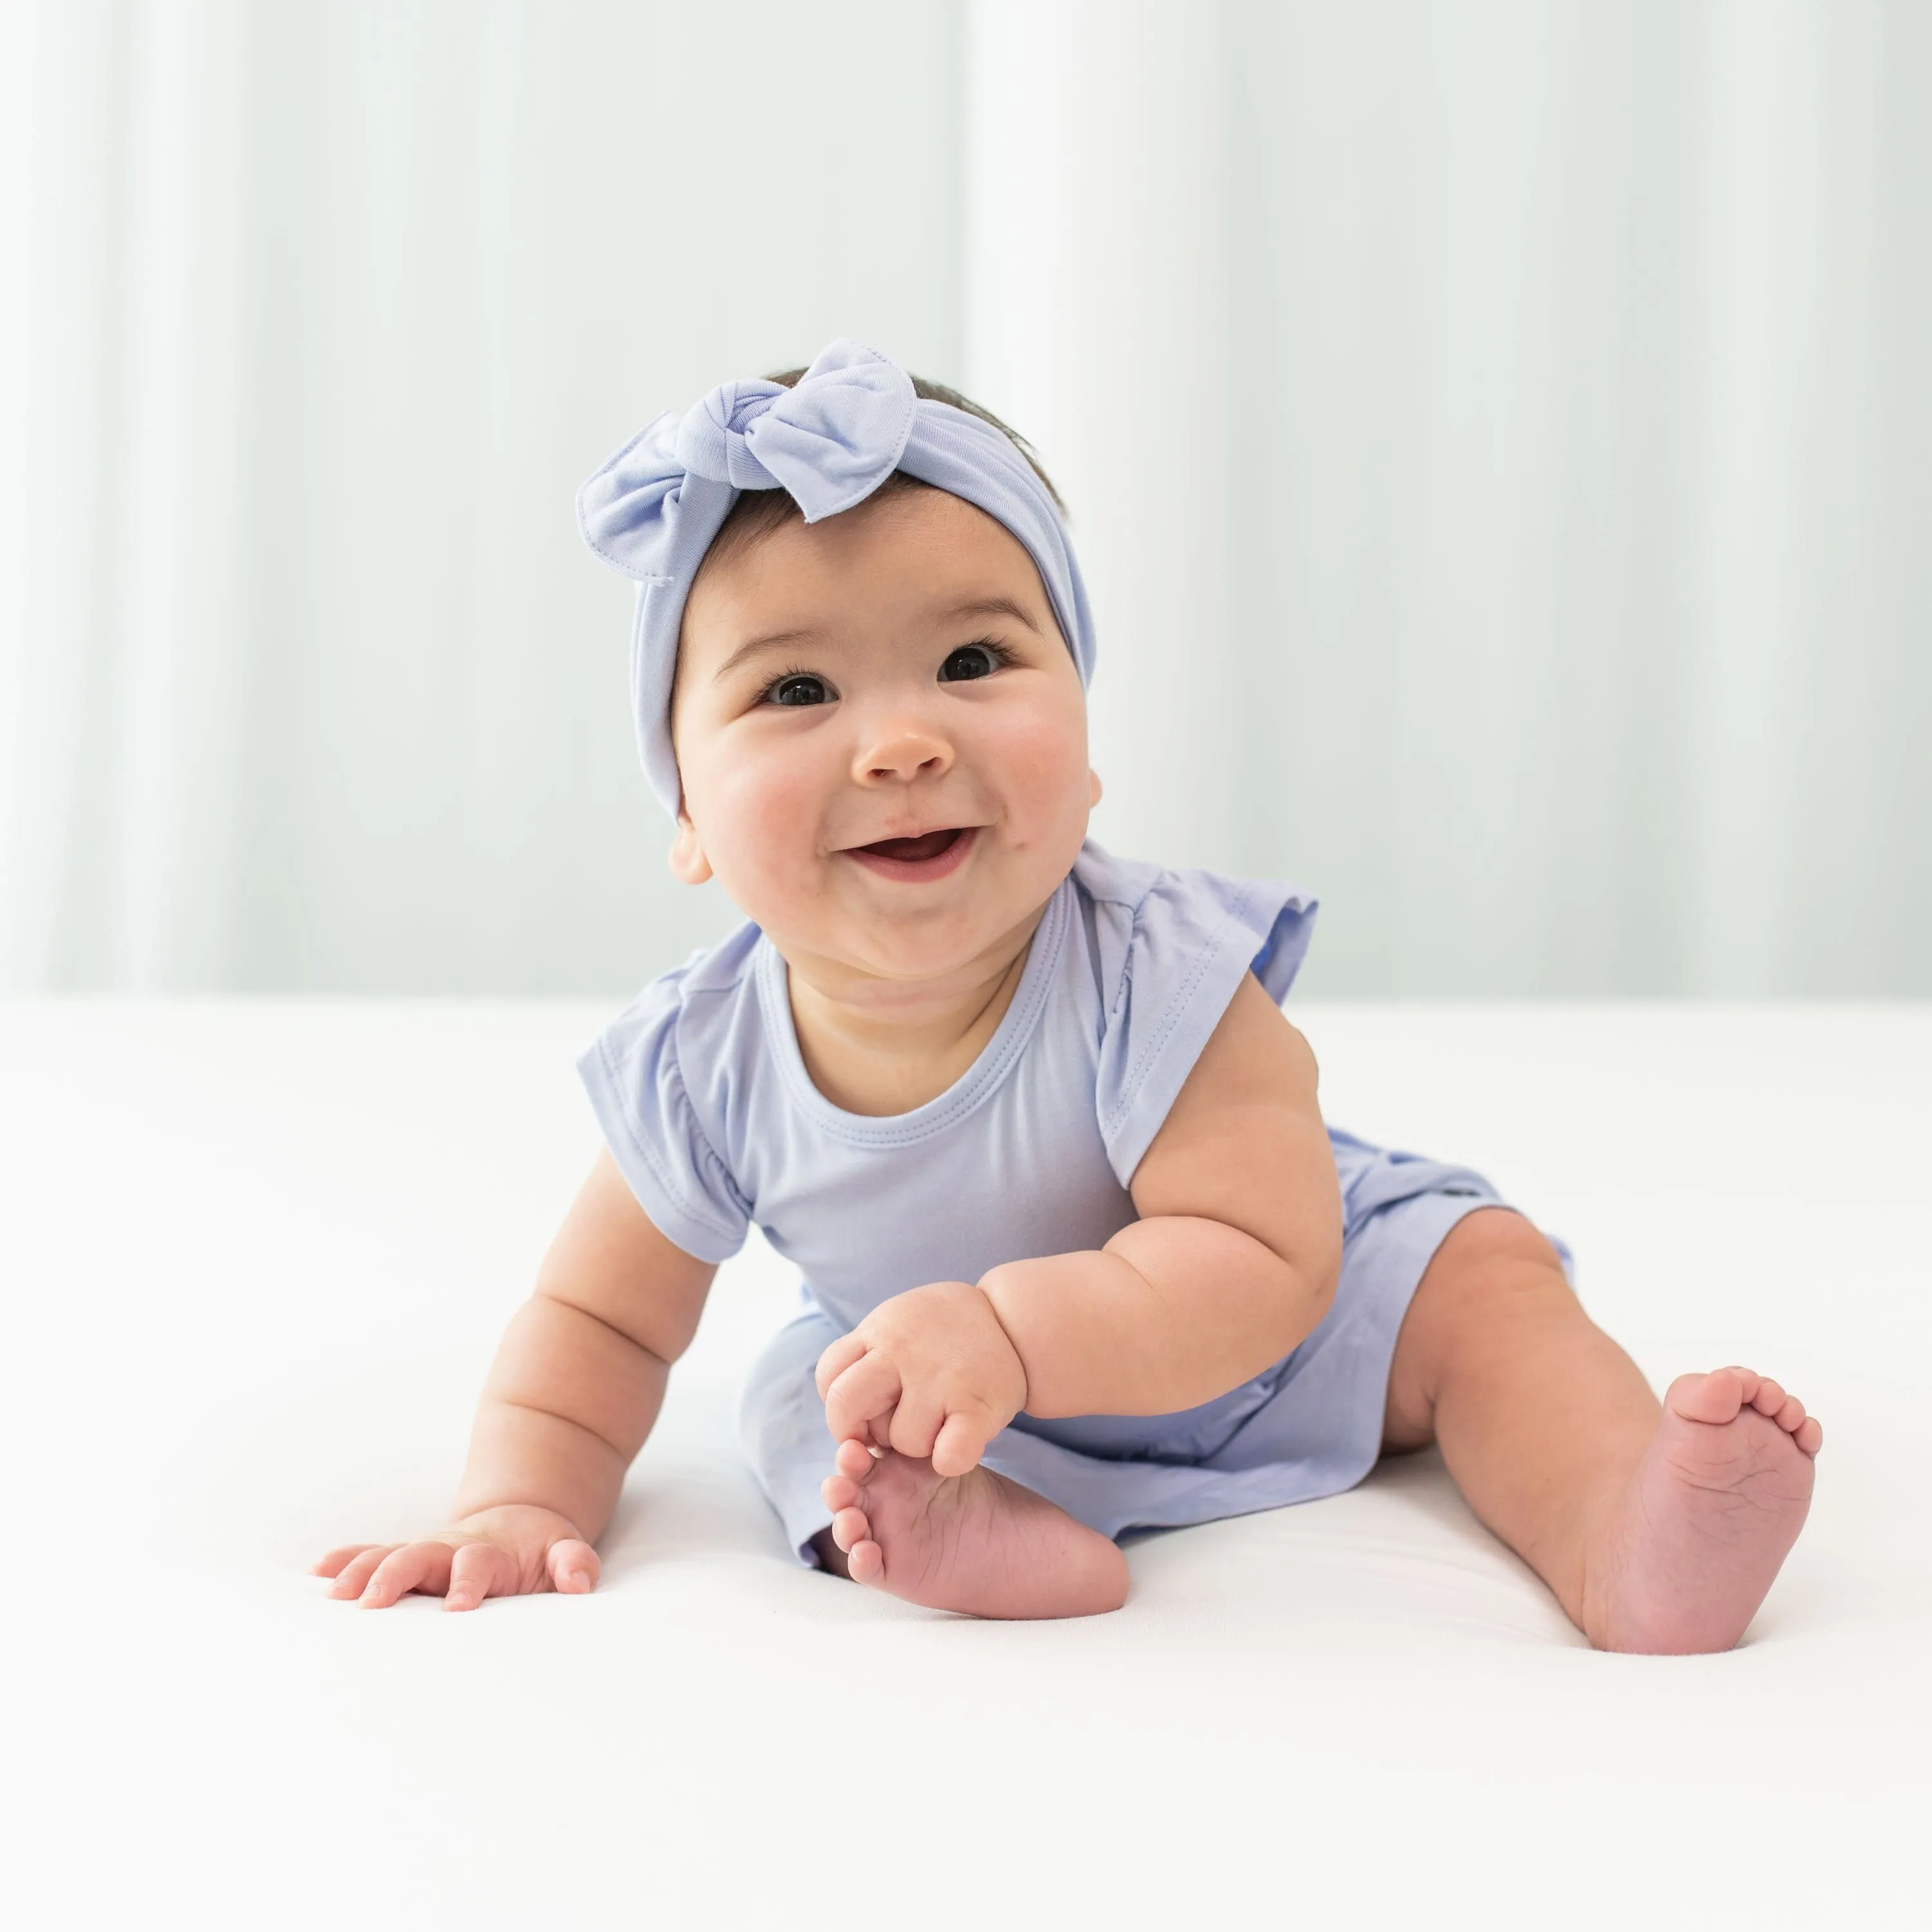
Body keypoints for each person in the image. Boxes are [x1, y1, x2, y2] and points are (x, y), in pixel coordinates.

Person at [313, 341, 1821, 1649]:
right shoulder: (704, 1064)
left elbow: (1266, 1254)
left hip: (1315, 1327)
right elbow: (601, 1327)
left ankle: (1626, 1536)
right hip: (968, 1397)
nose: (900, 743)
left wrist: (1017, 1330)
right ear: (690, 820)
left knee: (1486, 1287)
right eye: (796, 691)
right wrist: (517, 1502)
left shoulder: (1154, 966)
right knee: (807, 1401)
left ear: (1088, 747)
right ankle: (969, 1535)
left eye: (973, 658)